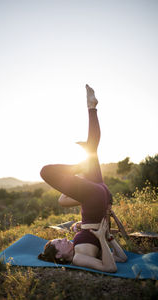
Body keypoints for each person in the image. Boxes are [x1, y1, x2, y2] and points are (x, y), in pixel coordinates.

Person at [39, 84, 127, 272]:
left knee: (92, 150)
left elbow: (122, 257)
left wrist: (107, 238)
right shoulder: (78, 259)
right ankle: (81, 165)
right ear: (59, 256)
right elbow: (110, 268)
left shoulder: (78, 248)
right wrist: (103, 238)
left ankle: (92, 107)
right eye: (59, 242)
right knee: (45, 172)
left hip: (98, 197)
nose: (63, 238)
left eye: (59, 238)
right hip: (94, 200)